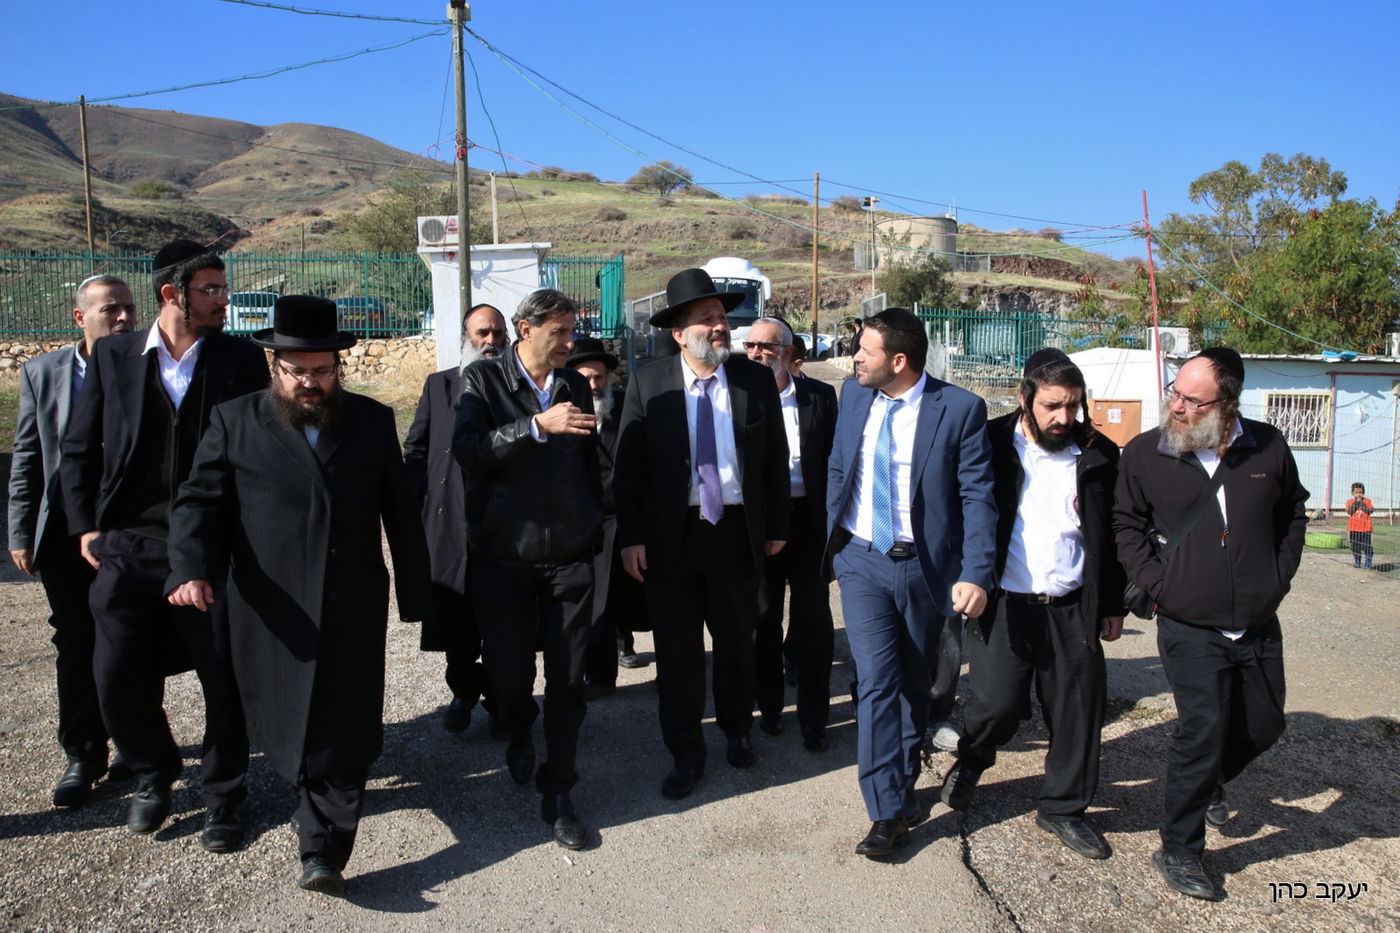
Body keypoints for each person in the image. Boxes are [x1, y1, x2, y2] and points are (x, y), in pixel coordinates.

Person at [165, 296, 430, 895]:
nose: (311, 383)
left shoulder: (370, 420)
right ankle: (230, 799)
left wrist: (417, 593)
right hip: (266, 604)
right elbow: (198, 503)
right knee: (260, 709)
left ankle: (324, 850)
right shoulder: (234, 421)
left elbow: (401, 515)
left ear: (339, 366)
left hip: (350, 599)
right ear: (273, 366)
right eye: (298, 371)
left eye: (322, 370)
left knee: (344, 718)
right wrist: (189, 568)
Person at [59, 240, 268, 850]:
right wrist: (86, 527)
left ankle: (225, 795)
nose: (224, 300)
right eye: (212, 290)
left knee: (221, 676)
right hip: (130, 541)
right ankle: (154, 773)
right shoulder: (116, 355)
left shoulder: (239, 358)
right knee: (114, 670)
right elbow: (80, 445)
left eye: (224, 289)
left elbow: (256, 451)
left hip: (213, 545)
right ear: (171, 294)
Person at [1115, 347, 1308, 901]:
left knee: (1264, 725)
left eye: (1191, 399)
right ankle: (1179, 847)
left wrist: (1277, 576)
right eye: (1174, 392)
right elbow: (1125, 524)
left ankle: (1210, 782)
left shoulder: (1268, 445)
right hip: (1187, 622)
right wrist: (1159, 585)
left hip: (1256, 618)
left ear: (1226, 403)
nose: (1176, 405)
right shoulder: (1146, 453)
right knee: (1199, 731)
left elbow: (1292, 512)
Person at [824, 307, 996, 858]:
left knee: (916, 686)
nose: (855, 359)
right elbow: (838, 464)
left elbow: (977, 496)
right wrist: (832, 537)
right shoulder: (853, 395)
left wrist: (975, 572)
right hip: (861, 559)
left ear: (898, 360)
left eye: (865, 352)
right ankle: (886, 810)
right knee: (876, 681)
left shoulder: (960, 409)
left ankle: (901, 774)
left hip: (926, 569)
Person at [940, 349, 1125, 862]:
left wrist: (1111, 602)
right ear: (1025, 398)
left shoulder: (1100, 455)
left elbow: (1112, 536)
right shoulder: (991, 443)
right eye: (1052, 406)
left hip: (1071, 605)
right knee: (996, 703)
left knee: (1078, 711)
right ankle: (973, 760)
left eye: (1073, 406)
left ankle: (1063, 809)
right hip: (1004, 602)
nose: (1064, 418)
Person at [614, 268, 790, 800]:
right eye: (706, 319)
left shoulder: (753, 380)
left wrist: (777, 524)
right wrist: (632, 536)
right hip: (672, 537)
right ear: (678, 332)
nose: (719, 327)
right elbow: (628, 465)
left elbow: (776, 460)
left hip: (736, 532)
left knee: (738, 642)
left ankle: (738, 731)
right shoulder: (648, 381)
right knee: (678, 651)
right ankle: (686, 751)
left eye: (720, 318)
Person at [453, 288, 603, 850]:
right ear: (525, 330)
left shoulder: (573, 385)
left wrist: (591, 523)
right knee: (511, 679)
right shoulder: (483, 382)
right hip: (504, 560)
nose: (568, 342)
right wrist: (535, 427)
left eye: (572, 330)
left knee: (567, 682)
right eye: (558, 332)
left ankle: (559, 789)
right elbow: (468, 450)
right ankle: (517, 731)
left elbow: (589, 463)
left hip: (568, 560)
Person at [8, 274, 138, 807]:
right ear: (80, 318)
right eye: (111, 310)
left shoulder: (148, 364)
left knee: (134, 638)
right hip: (64, 530)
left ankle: (137, 740)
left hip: (129, 528)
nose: (125, 318)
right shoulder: (43, 373)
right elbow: (28, 458)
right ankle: (84, 752)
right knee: (75, 638)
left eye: (130, 308)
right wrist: (21, 530)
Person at [404, 302, 508, 735]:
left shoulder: (515, 387)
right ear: (466, 338)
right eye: (482, 333)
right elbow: (416, 450)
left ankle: (505, 704)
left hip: (502, 530)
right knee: (456, 631)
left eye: (498, 334)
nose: (490, 341)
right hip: (448, 529)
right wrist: (419, 506)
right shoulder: (439, 386)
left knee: (505, 628)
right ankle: (466, 689)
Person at [743, 317, 837, 751]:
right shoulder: (738, 399)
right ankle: (769, 707)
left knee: (814, 621)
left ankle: (815, 717)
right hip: (761, 525)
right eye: (749, 346)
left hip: (808, 523)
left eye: (764, 346)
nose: (755, 353)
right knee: (764, 617)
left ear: (786, 351)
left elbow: (835, 465)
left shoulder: (820, 397)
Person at [570, 337, 646, 696]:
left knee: (639, 593)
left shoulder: (626, 414)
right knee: (595, 599)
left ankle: (633, 645)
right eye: (585, 378)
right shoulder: (563, 419)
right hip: (586, 523)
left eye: (599, 378)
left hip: (627, 518)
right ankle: (600, 676)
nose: (594, 385)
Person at [1347, 482, 1374, 569]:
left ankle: (1368, 563)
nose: (1359, 494)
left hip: (1366, 529)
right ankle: (1357, 561)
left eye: (1360, 492)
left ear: (1363, 493)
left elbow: (1370, 511)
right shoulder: (1350, 502)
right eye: (1356, 493)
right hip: (1354, 529)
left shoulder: (1367, 501)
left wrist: (1362, 504)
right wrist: (1356, 503)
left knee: (1367, 546)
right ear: (1352, 493)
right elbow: (1349, 512)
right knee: (1355, 546)